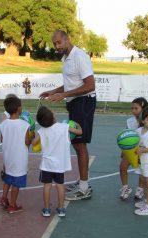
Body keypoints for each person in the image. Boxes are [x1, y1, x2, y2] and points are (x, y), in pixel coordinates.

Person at [39, 30, 96, 201]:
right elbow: (70, 84)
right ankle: (83, 182)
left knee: (80, 144)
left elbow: (90, 85)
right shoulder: (66, 59)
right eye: (54, 44)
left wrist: (63, 95)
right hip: (75, 103)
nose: (57, 46)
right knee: (77, 143)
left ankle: (84, 188)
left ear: (66, 39)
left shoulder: (80, 56)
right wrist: (54, 91)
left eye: (58, 43)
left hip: (84, 102)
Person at [32, 106, 82, 217]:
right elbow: (79, 132)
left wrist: (33, 134)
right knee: (60, 186)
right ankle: (61, 208)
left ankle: (46, 209)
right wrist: (76, 123)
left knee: (47, 186)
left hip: (47, 165)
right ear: (53, 116)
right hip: (60, 164)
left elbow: (34, 143)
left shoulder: (42, 130)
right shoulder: (64, 127)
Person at [0, 95, 32, 214]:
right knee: (16, 183)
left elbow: (2, 139)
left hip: (8, 157)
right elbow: (27, 142)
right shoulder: (24, 125)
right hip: (19, 158)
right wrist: (32, 136)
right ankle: (12, 205)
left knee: (8, 179)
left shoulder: (3, 124)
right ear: (19, 108)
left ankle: (4, 198)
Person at [119, 97, 148, 200]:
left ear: (143, 108)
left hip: (142, 149)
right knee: (122, 166)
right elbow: (126, 135)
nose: (133, 111)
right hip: (131, 149)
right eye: (132, 108)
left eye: (136, 108)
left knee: (141, 171)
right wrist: (123, 149)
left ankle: (140, 189)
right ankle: (125, 187)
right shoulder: (129, 121)